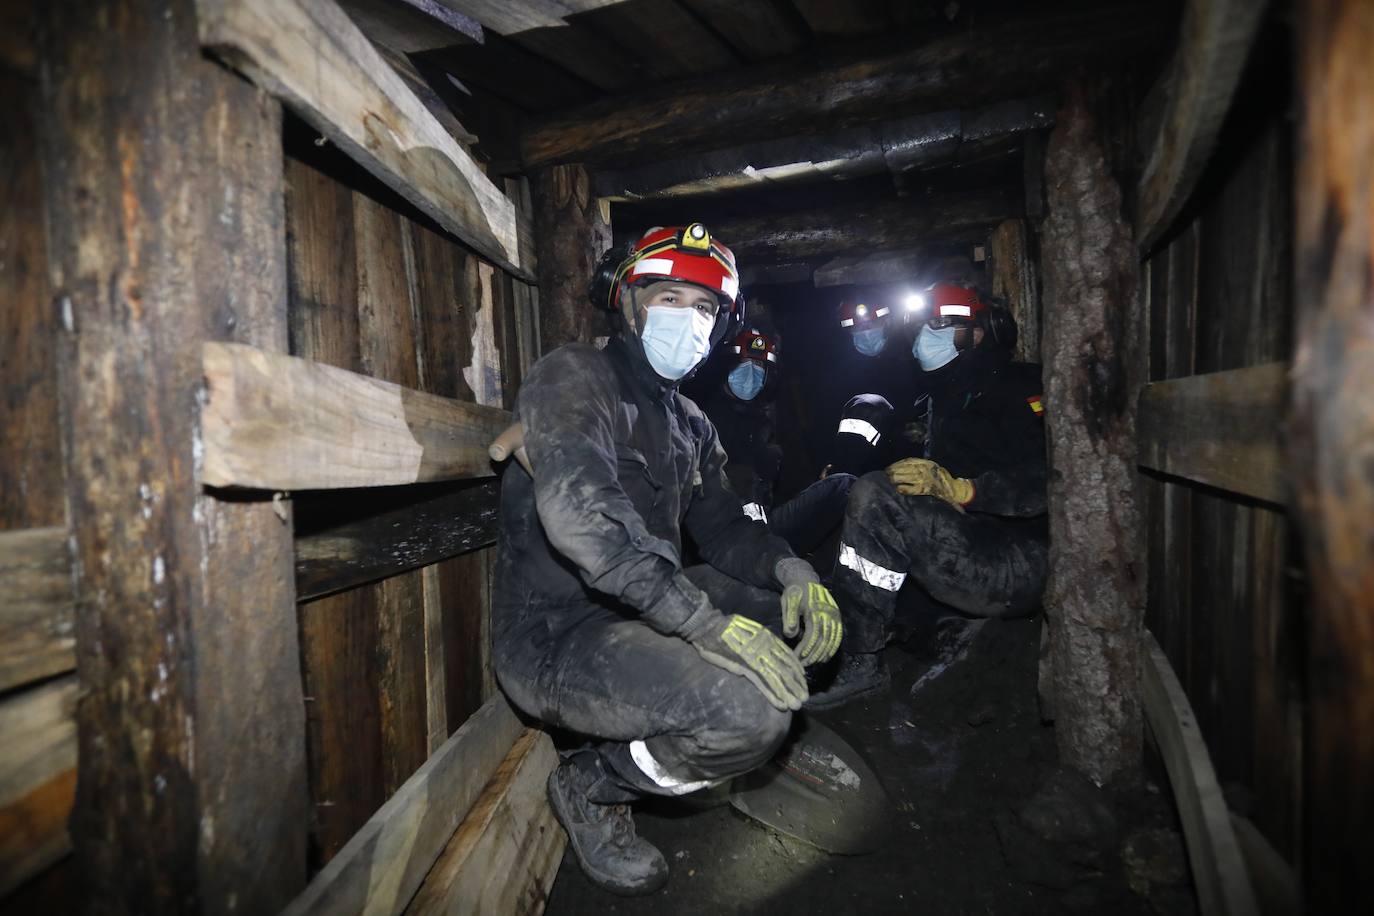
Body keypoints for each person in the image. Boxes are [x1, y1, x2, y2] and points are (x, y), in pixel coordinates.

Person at [490, 224, 844, 896]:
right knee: (749, 715)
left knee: (787, 619)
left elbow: (727, 528)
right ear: (627, 301)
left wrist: (794, 569)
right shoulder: (574, 378)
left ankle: (678, 746)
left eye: (706, 308)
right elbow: (583, 521)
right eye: (671, 297)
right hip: (556, 636)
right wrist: (702, 625)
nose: (690, 320)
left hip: (644, 607)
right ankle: (595, 786)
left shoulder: (690, 422)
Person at [806, 282, 1048, 710]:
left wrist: (967, 489)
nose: (925, 335)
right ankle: (934, 639)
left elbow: (1050, 476)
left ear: (977, 333)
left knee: (875, 496)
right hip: (972, 545)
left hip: (1018, 558)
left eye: (938, 324)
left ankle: (861, 663)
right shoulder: (945, 396)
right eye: (922, 324)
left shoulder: (1019, 386)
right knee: (861, 523)